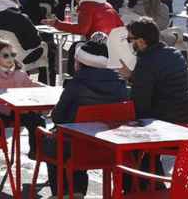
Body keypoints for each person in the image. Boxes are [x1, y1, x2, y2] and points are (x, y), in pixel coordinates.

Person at [44, 34, 129, 196]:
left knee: (52, 143)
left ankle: (65, 192)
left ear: (81, 63)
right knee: (73, 141)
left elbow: (58, 117)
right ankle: (76, 191)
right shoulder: (121, 85)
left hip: (77, 147)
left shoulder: (75, 84)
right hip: (110, 149)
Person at [122, 17, 188, 124]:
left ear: (141, 41)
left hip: (163, 122)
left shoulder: (146, 62)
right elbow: (160, 81)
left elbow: (139, 104)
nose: (129, 43)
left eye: (129, 39)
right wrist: (133, 77)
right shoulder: (175, 54)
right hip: (185, 117)